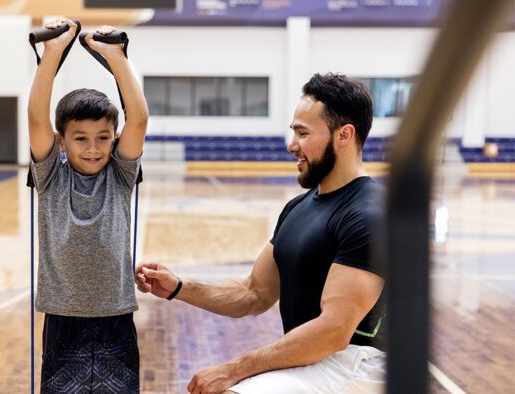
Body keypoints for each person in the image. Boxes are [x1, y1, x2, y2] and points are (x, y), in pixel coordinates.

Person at [136, 73, 387, 394]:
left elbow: (334, 331)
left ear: (344, 135)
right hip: (315, 361)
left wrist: (233, 369)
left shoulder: (368, 214)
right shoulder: (297, 208)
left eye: (303, 133)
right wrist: (180, 288)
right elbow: (255, 293)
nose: (291, 145)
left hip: (357, 363)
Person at [28, 18, 148, 393]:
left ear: (114, 138)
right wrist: (52, 53)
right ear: (61, 141)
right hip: (63, 318)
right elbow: (35, 116)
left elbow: (139, 118)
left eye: (103, 137)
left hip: (115, 316)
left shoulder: (120, 175)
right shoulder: (51, 176)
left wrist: (116, 57)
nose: (93, 148)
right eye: (80, 138)